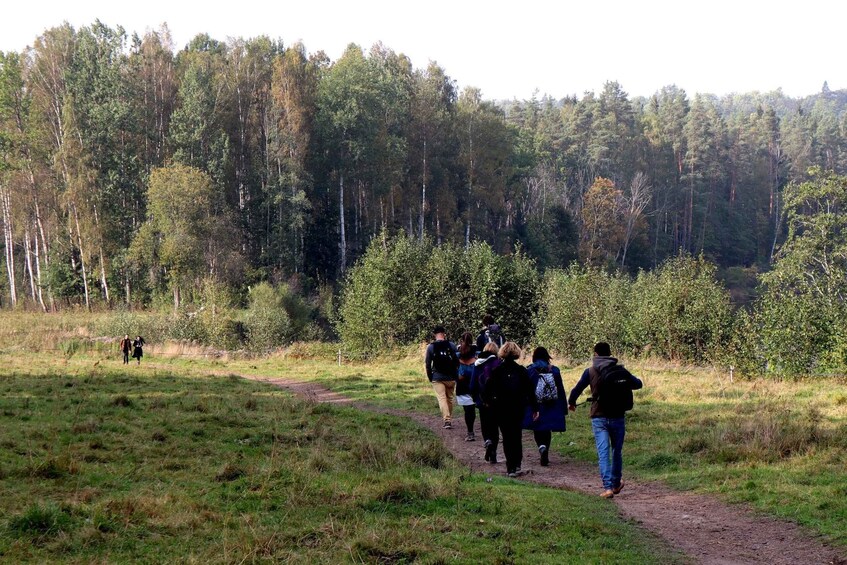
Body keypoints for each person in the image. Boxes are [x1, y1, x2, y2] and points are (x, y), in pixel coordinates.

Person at [568, 342, 643, 498]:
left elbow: (577, 389)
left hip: (599, 416)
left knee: (603, 453)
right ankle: (616, 484)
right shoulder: (620, 370)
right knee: (617, 451)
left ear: (595, 354)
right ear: (610, 354)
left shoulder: (590, 371)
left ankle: (608, 488)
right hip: (618, 416)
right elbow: (638, 384)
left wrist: (572, 403)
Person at [483, 342, 538, 477]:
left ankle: (510, 467)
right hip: (517, 408)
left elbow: (487, 390)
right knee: (516, 435)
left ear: (502, 352)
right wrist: (535, 408)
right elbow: (530, 391)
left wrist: (488, 402)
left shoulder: (497, 371)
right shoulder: (521, 371)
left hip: (501, 408)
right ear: (516, 353)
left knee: (506, 437)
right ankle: (517, 462)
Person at [523, 347, 567, 466]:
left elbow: (526, 390)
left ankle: (541, 447)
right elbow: (561, 390)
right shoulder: (555, 370)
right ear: (547, 356)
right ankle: (546, 447)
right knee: (547, 428)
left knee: (537, 428)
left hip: (536, 404)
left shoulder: (530, 370)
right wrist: (563, 407)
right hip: (551, 403)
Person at [470, 341, 501, 463]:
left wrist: (476, 399)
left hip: (482, 401)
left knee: (485, 424)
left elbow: (472, 385)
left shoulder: (477, 365)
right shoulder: (499, 364)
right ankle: (494, 451)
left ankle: (487, 441)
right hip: (496, 401)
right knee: (495, 427)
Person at [425, 325, 459, 429]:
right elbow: (457, 362)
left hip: (437, 377)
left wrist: (431, 377)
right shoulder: (452, 345)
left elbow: (427, 364)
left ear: (434, 335)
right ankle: (448, 418)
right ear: (444, 334)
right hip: (451, 377)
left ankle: (447, 420)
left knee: (442, 399)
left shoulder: (431, 347)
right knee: (449, 398)